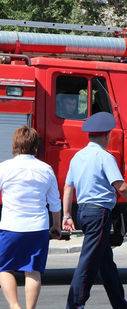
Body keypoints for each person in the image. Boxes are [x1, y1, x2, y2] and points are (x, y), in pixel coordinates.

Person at [62, 112, 127, 309]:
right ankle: (74, 305)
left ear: (90, 135)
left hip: (83, 212)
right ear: (106, 136)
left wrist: (66, 215)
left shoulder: (77, 157)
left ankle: (120, 304)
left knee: (105, 261)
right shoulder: (104, 157)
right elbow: (121, 186)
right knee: (88, 262)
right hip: (99, 213)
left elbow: (68, 188)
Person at [0, 126, 61, 309]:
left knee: (4, 268)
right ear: (36, 146)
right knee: (33, 270)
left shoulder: (4, 168)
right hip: (38, 228)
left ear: (15, 145)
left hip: (11, 227)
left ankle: (14, 306)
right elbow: (54, 202)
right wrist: (56, 226)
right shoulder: (46, 169)